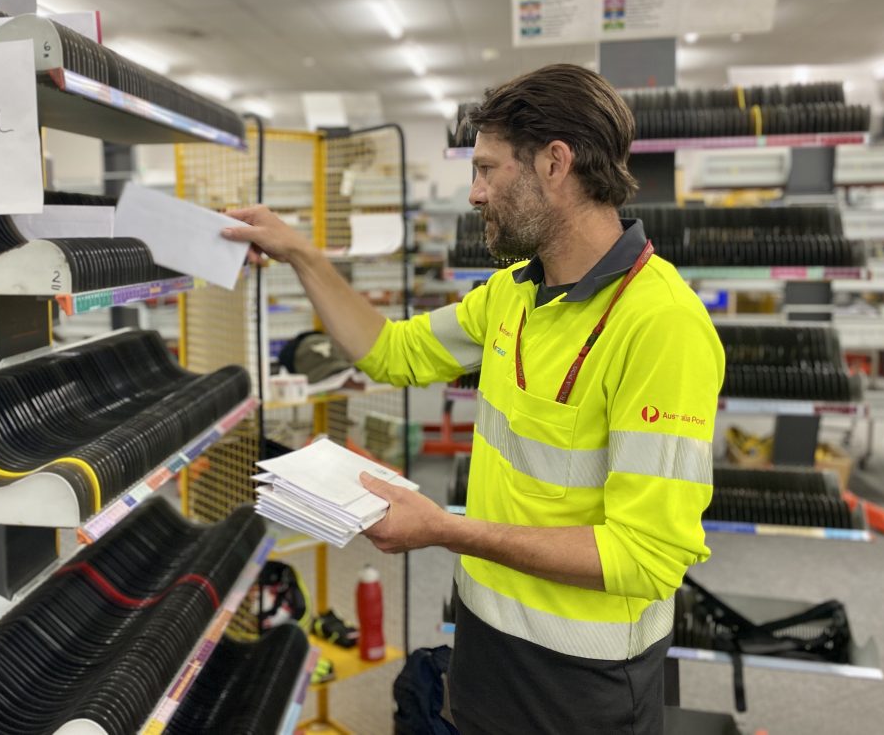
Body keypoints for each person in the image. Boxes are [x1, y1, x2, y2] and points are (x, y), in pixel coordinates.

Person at [222, 63, 724, 735]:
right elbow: (389, 351)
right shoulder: (513, 293)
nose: (476, 193)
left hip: (581, 684)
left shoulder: (662, 324)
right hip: (484, 643)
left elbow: (646, 557)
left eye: (488, 169)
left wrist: (445, 530)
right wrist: (303, 256)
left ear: (554, 163)